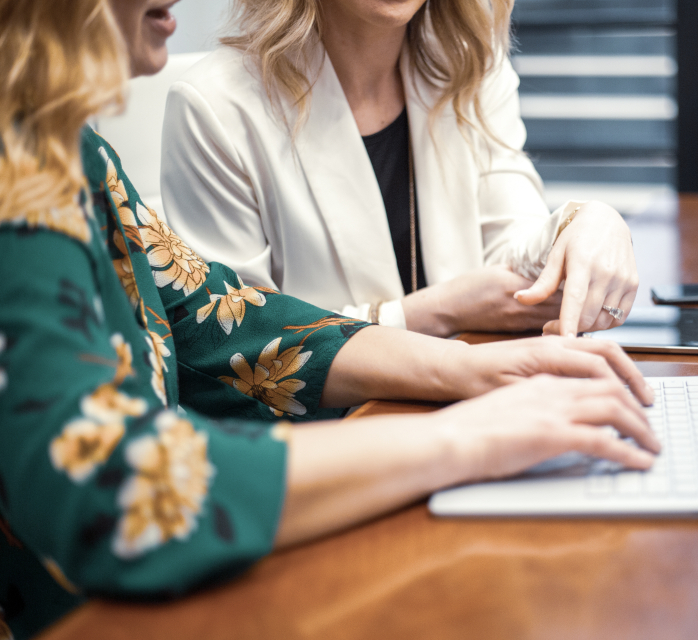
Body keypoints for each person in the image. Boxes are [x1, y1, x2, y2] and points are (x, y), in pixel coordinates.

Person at [0, 1, 659, 637]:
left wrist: (468, 368)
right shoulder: (15, 177)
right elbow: (115, 486)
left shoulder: (75, 157)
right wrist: (464, 440)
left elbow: (226, 322)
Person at [159, 0, 639, 338]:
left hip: (475, 412)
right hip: (332, 445)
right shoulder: (215, 105)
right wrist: (434, 314)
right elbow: (240, 347)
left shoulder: (470, 61)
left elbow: (513, 254)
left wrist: (588, 223)